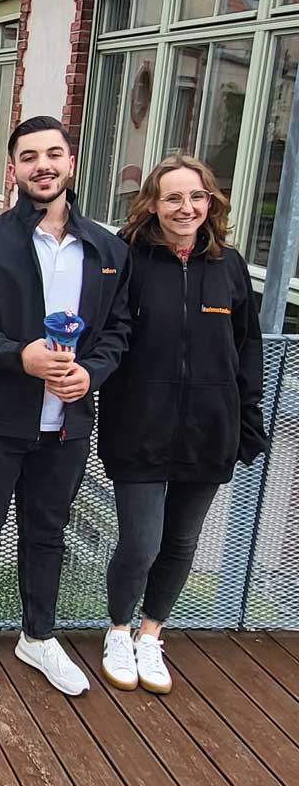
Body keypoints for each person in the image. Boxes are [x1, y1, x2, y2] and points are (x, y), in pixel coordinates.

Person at [0, 115, 130, 697]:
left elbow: (119, 330)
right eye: (29, 157)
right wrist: (18, 356)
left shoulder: (106, 248)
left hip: (67, 424)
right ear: (14, 169)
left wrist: (91, 373)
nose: (42, 165)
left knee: (46, 533)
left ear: (71, 163)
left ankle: (38, 636)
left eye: (53, 154)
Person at [97, 155, 266, 693]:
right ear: (152, 204)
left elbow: (248, 349)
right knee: (141, 542)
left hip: (210, 430)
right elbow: (109, 338)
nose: (185, 208)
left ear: (210, 202)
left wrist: (249, 418)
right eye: (172, 198)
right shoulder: (128, 261)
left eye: (196, 197)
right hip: (139, 426)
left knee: (182, 543)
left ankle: (152, 633)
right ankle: (119, 629)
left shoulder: (230, 267)